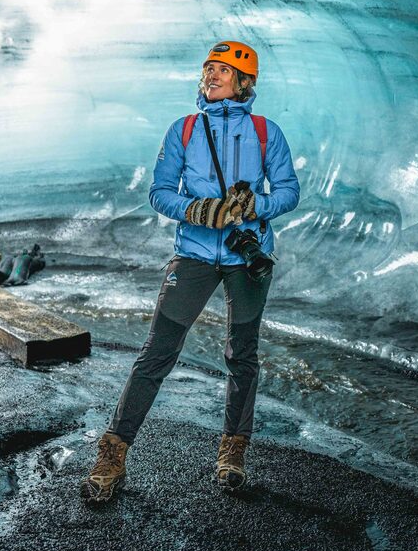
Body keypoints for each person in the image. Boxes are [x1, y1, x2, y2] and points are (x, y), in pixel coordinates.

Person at [81, 40, 301, 502]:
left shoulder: (265, 132)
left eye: (223, 70)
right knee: (157, 352)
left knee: (243, 355)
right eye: (209, 68)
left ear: (244, 81)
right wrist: (195, 210)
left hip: (247, 256)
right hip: (195, 254)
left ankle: (232, 453)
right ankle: (112, 454)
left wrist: (254, 206)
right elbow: (160, 192)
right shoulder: (184, 130)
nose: (211, 76)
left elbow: (288, 191)